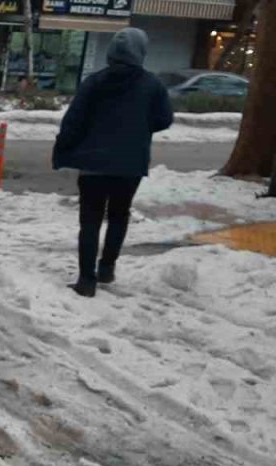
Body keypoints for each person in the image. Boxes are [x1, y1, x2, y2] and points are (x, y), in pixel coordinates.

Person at [52, 27, 173, 297]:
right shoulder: (152, 84)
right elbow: (164, 119)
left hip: (93, 165)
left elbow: (74, 121)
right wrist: (140, 127)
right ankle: (106, 268)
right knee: (119, 216)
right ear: (141, 51)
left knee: (90, 220)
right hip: (130, 164)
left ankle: (86, 280)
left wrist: (63, 150)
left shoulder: (94, 82)